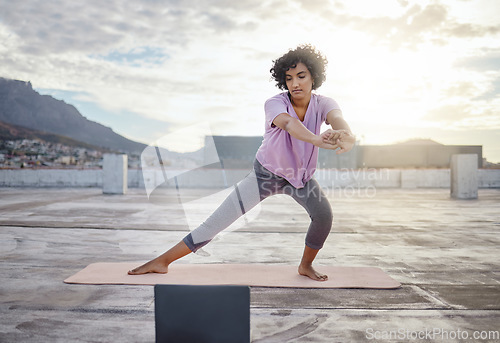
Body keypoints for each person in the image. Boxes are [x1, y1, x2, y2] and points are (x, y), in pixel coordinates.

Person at [129, 44, 355, 281]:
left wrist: (346, 135)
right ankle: (162, 261)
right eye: (288, 78)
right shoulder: (274, 103)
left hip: (300, 177)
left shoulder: (323, 103)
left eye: (301, 76)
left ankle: (305, 266)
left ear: (313, 77)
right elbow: (289, 124)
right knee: (216, 222)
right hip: (265, 174)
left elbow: (337, 119)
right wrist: (317, 139)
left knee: (324, 217)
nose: (295, 83)